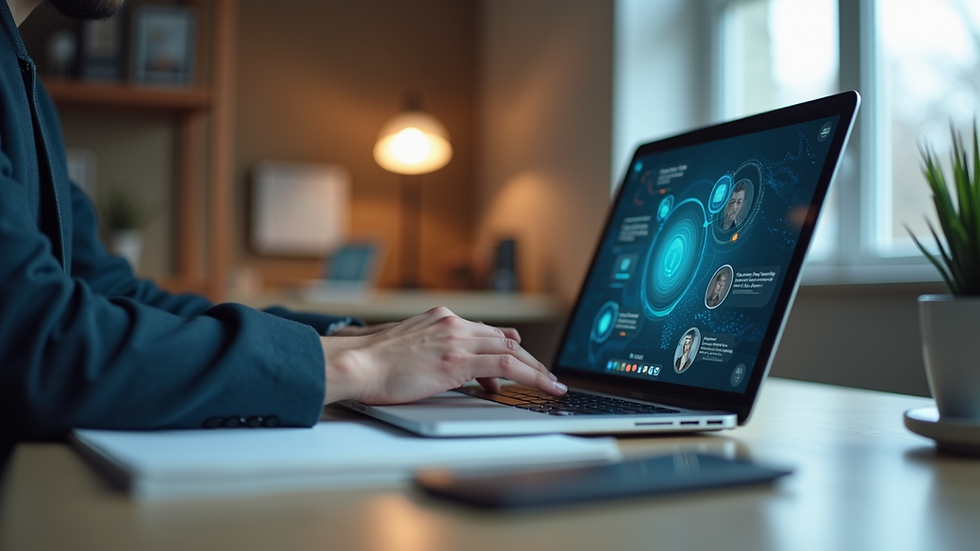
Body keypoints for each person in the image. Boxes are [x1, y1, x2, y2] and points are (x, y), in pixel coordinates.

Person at [0, 0, 565, 454]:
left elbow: (114, 295)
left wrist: (347, 334)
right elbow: (36, 342)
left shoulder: (26, 84)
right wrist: (356, 366)